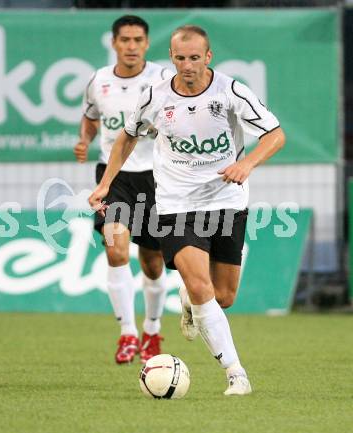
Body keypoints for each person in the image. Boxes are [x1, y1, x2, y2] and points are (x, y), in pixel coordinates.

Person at [89, 25, 285, 395]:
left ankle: (188, 303)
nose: (187, 65)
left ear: (208, 57)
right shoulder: (156, 96)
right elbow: (128, 135)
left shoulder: (230, 92)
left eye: (195, 58)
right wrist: (105, 183)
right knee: (198, 284)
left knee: (222, 296)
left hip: (227, 200)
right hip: (176, 205)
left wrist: (247, 164)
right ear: (172, 57)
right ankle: (235, 373)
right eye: (180, 58)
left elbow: (275, 134)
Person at [74, 15, 173, 364]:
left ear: (147, 44)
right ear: (114, 43)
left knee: (152, 263)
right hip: (114, 176)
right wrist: (84, 139)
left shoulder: (162, 78)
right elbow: (90, 117)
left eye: (138, 40)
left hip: (157, 177)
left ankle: (152, 328)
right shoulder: (98, 81)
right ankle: (127, 334)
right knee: (115, 249)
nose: (131, 46)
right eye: (125, 40)